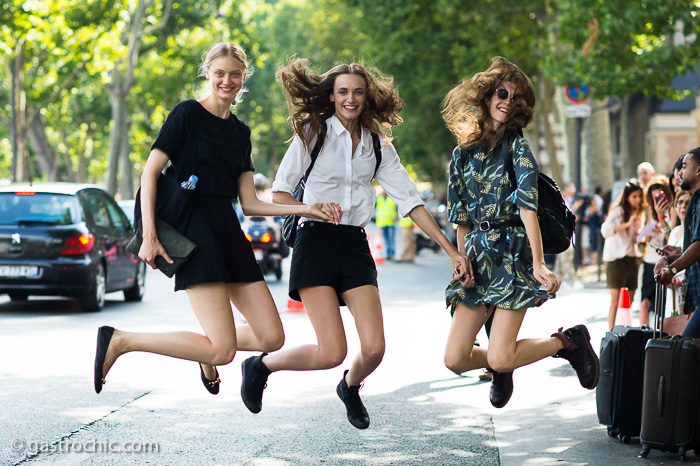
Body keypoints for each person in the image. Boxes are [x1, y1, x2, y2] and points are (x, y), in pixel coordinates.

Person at [92, 43, 340, 397]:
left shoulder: (241, 133)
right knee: (222, 352)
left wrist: (307, 208)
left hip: (228, 231)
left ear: (243, 78)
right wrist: (148, 234)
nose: (227, 80)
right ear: (207, 73)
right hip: (194, 233)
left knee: (272, 336)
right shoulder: (187, 114)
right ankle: (121, 340)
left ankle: (203, 348)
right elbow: (149, 174)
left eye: (235, 74)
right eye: (220, 73)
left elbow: (251, 203)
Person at [239, 58, 468, 429]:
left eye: (358, 92)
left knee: (375, 349)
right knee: (331, 351)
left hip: (354, 243)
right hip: (314, 240)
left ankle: (350, 386)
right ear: (331, 95)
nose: (351, 99)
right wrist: (309, 209)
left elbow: (410, 201)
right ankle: (261, 365)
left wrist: (452, 251)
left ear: (367, 97)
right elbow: (279, 194)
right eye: (343, 91)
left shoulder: (377, 146)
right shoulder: (313, 134)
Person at [440, 56, 600, 410]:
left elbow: (528, 206)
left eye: (515, 98)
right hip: (477, 258)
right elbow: (460, 215)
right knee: (454, 360)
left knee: (499, 359)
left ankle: (567, 342)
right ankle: (506, 358)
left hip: (513, 254)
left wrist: (540, 263)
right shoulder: (461, 155)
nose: (507, 101)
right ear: (486, 95)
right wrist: (461, 257)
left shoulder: (518, 148)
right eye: (502, 92)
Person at [656, 148, 700, 336]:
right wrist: (668, 260)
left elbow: (699, 246)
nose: (680, 173)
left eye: (684, 167)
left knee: (686, 349)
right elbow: (693, 247)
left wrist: (672, 269)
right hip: (696, 296)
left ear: (698, 171)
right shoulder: (696, 202)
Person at [600, 180, 644, 330]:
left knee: (630, 299)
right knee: (615, 300)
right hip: (616, 259)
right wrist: (627, 224)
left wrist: (638, 234)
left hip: (632, 257)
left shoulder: (637, 213)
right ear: (626, 197)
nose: (638, 200)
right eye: (634, 196)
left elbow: (632, 238)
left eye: (639, 196)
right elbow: (605, 230)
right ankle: (611, 332)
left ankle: (624, 329)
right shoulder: (618, 210)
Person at [638, 176, 672, 326]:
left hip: (665, 261)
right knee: (644, 303)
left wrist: (662, 222)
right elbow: (642, 234)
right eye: (654, 197)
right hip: (649, 260)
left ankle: (660, 341)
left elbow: (672, 238)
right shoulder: (648, 211)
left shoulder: (672, 211)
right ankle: (641, 336)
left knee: (662, 307)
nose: (657, 200)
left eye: (659, 196)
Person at [666, 190, 690, 313]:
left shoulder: (692, 232)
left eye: (687, 202)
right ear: (675, 207)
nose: (683, 206)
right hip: (671, 288)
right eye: (680, 202)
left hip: (685, 288)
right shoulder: (674, 231)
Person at [375, 190, 398, 260]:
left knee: (391, 239)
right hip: (382, 223)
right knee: (386, 239)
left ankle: (391, 254)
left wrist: (396, 217)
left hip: (390, 223)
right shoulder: (379, 199)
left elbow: (397, 209)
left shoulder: (392, 199)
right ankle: (388, 253)